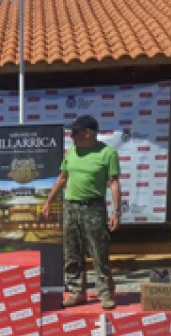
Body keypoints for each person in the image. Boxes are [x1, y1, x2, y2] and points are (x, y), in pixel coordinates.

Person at [42, 115, 121, 310]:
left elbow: (113, 182)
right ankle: (77, 292)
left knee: (98, 252)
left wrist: (116, 212)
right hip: (71, 206)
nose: (71, 135)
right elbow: (62, 177)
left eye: (74, 132)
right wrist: (49, 201)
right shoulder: (71, 152)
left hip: (93, 207)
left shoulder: (107, 153)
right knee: (71, 252)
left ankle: (106, 294)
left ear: (88, 133)